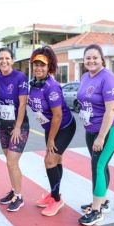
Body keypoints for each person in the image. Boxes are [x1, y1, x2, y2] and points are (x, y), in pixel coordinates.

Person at [76, 44, 114, 226]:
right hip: (92, 129)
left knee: (99, 166)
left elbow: (111, 110)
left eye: (95, 57)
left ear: (102, 59)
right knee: (98, 166)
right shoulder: (84, 76)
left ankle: (96, 211)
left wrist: (101, 136)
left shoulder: (109, 78)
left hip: (110, 129)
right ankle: (102, 201)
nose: (91, 61)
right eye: (88, 58)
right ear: (84, 60)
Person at [28, 46, 76, 216]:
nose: (38, 68)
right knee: (56, 160)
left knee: (49, 161)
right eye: (36, 65)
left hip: (63, 127)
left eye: (42, 65)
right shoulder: (33, 85)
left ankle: (56, 200)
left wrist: (50, 140)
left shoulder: (52, 87)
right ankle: (54, 194)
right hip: (50, 128)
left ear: (49, 67)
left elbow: (57, 116)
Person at [0, 47, 29, 212]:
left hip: (18, 127)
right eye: (1, 58)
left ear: (12, 60)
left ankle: (19, 197)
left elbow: (22, 104)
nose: (4, 61)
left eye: (7, 58)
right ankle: (14, 191)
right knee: (9, 163)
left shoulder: (20, 77)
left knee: (12, 162)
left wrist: (17, 127)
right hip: (3, 125)